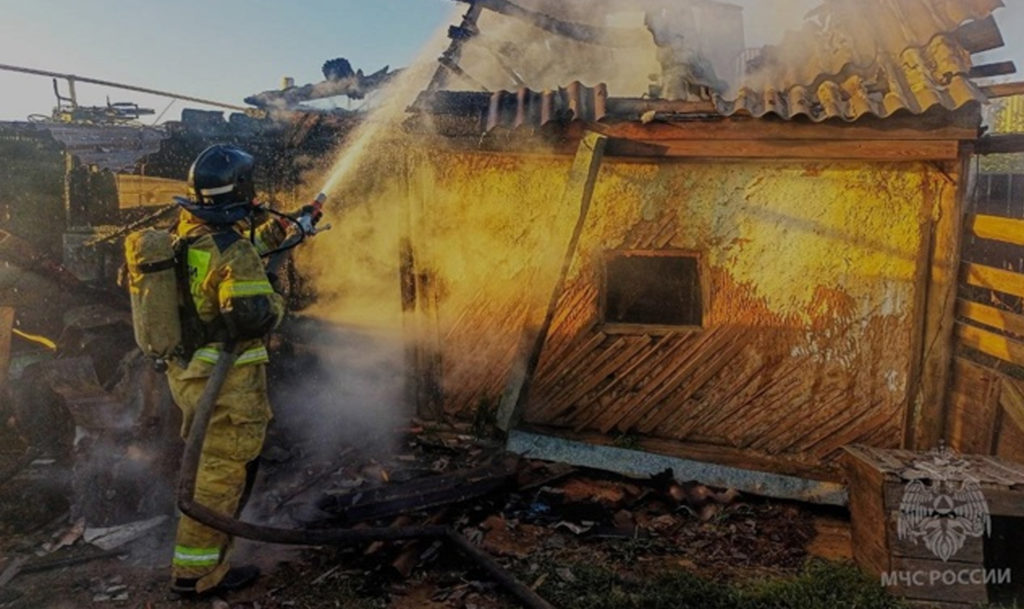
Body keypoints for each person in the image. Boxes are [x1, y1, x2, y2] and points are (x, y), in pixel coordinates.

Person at [167, 144, 289, 596]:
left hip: (189, 373)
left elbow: (232, 252)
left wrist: (287, 228)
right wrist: (276, 298)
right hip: (227, 382)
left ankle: (200, 567)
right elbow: (253, 316)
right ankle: (195, 577)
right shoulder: (231, 251)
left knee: (208, 464)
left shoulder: (186, 232)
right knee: (220, 473)